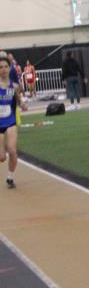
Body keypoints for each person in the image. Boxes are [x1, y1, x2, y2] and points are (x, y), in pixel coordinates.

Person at [0, 56, 28, 189]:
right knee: (1, 157)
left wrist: (22, 104)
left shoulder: (14, 86)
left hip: (10, 121)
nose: (3, 69)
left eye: (6, 67)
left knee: (12, 150)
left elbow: (19, 99)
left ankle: (10, 178)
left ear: (10, 68)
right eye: (0, 67)